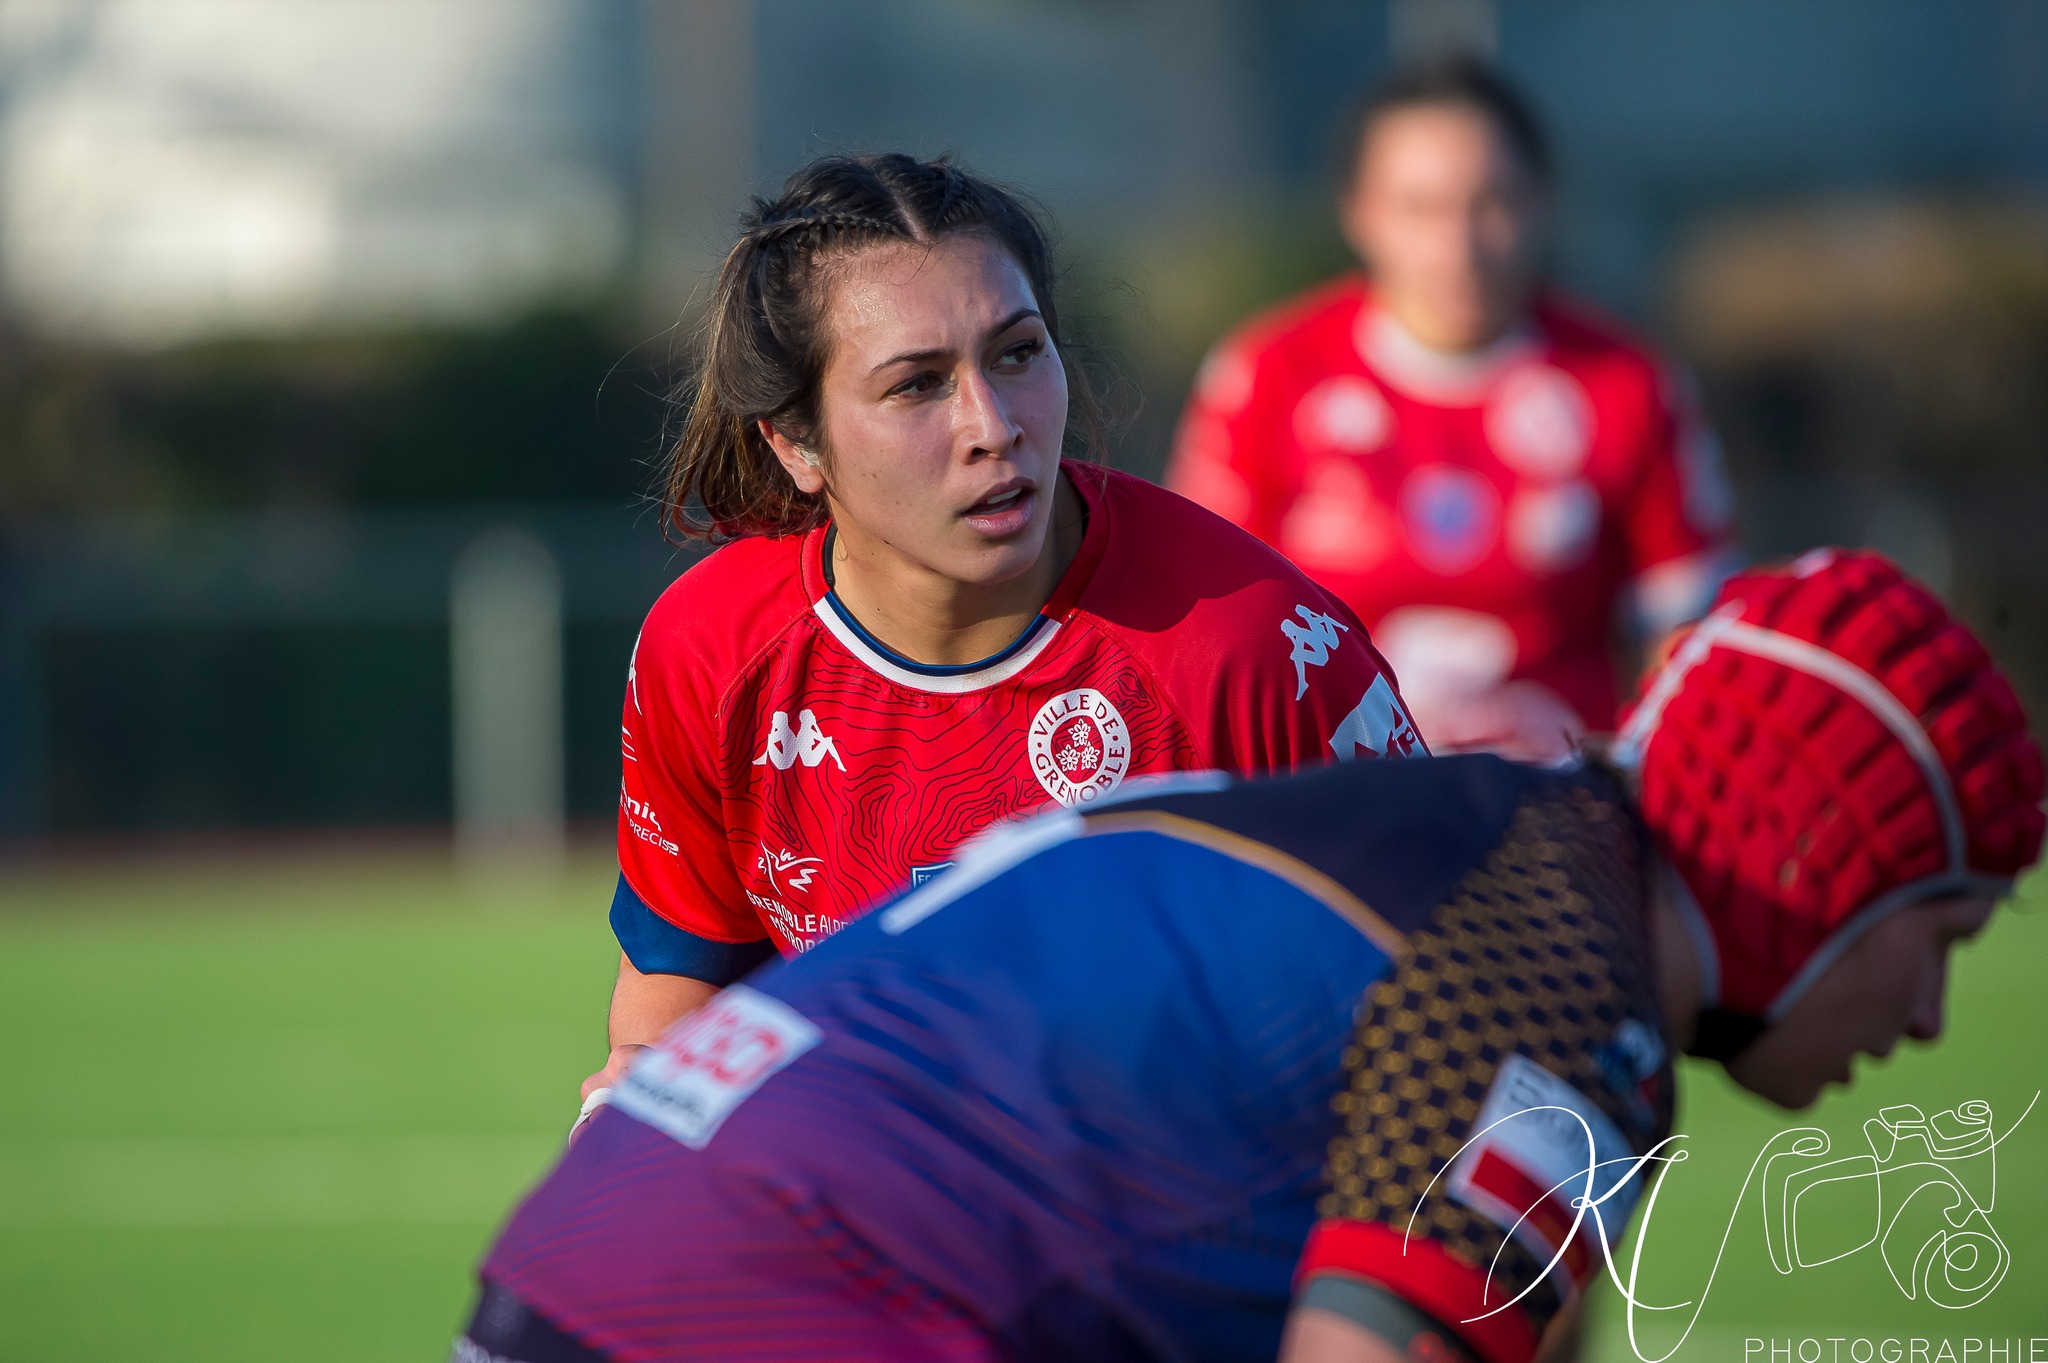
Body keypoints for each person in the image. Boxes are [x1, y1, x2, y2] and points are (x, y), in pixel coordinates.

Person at [461, 549, 2042, 1363]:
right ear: (1828, 870)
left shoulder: (1458, 829)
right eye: (1940, 935)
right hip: (767, 1309)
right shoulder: (1565, 975)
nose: (1928, 1013)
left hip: (591, 1262)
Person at [588, 153, 1420, 1112]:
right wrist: (636, 1128)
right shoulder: (712, 650)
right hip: (869, 1223)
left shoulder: (1250, 646)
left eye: (1018, 353)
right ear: (796, 442)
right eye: (917, 385)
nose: (993, 424)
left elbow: (1441, 983)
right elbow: (685, 970)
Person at [1167, 56, 1736, 762]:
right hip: (1329, 811)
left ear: (1541, 203)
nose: (1457, 246)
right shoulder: (1266, 376)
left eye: (1490, 203)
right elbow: (1200, 625)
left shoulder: (1627, 383)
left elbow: (1687, 639)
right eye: (1420, 207)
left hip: (1560, 812)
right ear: (1358, 213)